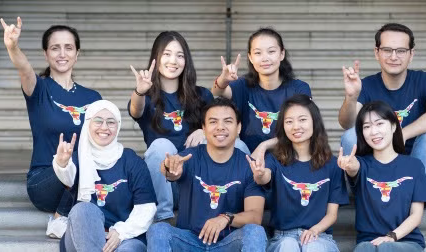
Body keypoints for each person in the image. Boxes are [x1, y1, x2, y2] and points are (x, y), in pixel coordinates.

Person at [128, 31, 249, 222]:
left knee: (238, 146)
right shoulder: (146, 98)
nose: (173, 61)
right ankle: (164, 218)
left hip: (198, 183)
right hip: (166, 183)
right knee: (161, 146)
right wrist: (139, 91)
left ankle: (236, 214)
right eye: (167, 54)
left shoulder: (201, 95)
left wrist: (203, 130)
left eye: (180, 55)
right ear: (156, 58)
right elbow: (136, 110)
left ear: (186, 61)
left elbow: (218, 127)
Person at [0, 17, 102, 238]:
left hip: (81, 182)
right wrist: (12, 46)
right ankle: (59, 218)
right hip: (45, 181)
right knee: (80, 157)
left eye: (68, 48)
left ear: (77, 54)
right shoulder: (39, 89)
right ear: (46, 54)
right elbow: (25, 69)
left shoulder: (93, 98)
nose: (62, 54)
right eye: (55, 48)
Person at [337, 23, 426, 201]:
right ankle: (370, 194)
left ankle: (415, 198)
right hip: (376, 174)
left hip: (415, 174)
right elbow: (347, 123)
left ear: (411, 54)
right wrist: (351, 97)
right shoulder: (365, 85)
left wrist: (400, 134)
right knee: (351, 135)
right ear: (377, 53)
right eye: (387, 50)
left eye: (401, 51)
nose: (394, 56)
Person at [147, 97, 267, 252]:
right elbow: (172, 172)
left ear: (238, 128)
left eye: (228, 121)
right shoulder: (191, 156)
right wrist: (169, 167)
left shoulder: (249, 166)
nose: (220, 127)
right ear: (203, 129)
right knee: (159, 230)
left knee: (255, 232)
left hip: (227, 243)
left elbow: (255, 216)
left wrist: (225, 218)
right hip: (189, 241)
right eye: (213, 122)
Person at [247, 95, 349, 252]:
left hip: (320, 236)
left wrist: (315, 230)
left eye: (302, 120)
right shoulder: (275, 160)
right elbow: (264, 177)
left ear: (314, 122)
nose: (296, 126)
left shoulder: (332, 165)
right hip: (283, 236)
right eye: (289, 121)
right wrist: (260, 174)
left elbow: (332, 214)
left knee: (314, 247)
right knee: (288, 246)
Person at [52, 100, 157, 252]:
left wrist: (120, 232)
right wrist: (61, 163)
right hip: (84, 237)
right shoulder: (77, 159)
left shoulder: (132, 161)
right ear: (88, 124)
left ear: (118, 126)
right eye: (98, 121)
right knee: (83, 209)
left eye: (111, 122)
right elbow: (67, 176)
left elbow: (147, 208)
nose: (104, 127)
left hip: (125, 237)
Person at [338, 101, 426, 252]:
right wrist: (349, 164)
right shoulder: (362, 166)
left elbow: (416, 215)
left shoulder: (414, 166)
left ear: (394, 126)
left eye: (379, 124)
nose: (374, 132)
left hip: (406, 241)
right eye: (367, 127)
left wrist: (392, 237)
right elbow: (354, 167)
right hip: (368, 242)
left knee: (387, 248)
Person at [211, 27, 312, 163]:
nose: (265, 58)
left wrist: (264, 146)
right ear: (250, 58)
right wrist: (224, 79)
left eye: (271, 51)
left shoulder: (299, 88)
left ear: (282, 54)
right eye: (258, 53)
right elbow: (217, 93)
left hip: (288, 155)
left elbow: (305, 128)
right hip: (249, 157)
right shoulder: (243, 86)